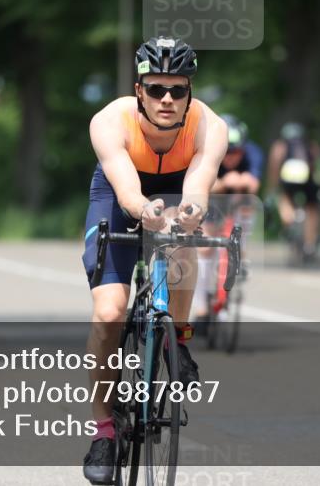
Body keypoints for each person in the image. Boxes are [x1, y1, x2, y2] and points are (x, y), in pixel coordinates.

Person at [81, 36, 227, 484]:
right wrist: (144, 210)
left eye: (178, 90)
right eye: (156, 88)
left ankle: (177, 340)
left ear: (190, 94)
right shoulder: (111, 120)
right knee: (109, 313)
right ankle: (104, 431)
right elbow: (126, 189)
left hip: (176, 190)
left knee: (185, 237)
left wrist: (190, 212)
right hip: (119, 195)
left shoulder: (209, 126)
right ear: (139, 89)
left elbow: (199, 184)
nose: (167, 99)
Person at [193, 114, 262, 329]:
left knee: (246, 211)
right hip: (212, 198)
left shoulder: (253, 153)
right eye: (227, 153)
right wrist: (223, 182)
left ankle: (237, 254)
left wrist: (243, 183)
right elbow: (200, 186)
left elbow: (254, 183)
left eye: (237, 153)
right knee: (205, 248)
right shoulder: (207, 150)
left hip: (239, 200)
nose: (232, 158)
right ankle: (201, 304)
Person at [266, 121, 320, 260]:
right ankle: (310, 244)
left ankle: (289, 222)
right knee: (312, 208)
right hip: (307, 176)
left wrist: (272, 187)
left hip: (288, 176)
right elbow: (315, 163)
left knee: (284, 198)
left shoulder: (280, 145)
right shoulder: (309, 144)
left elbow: (275, 164)